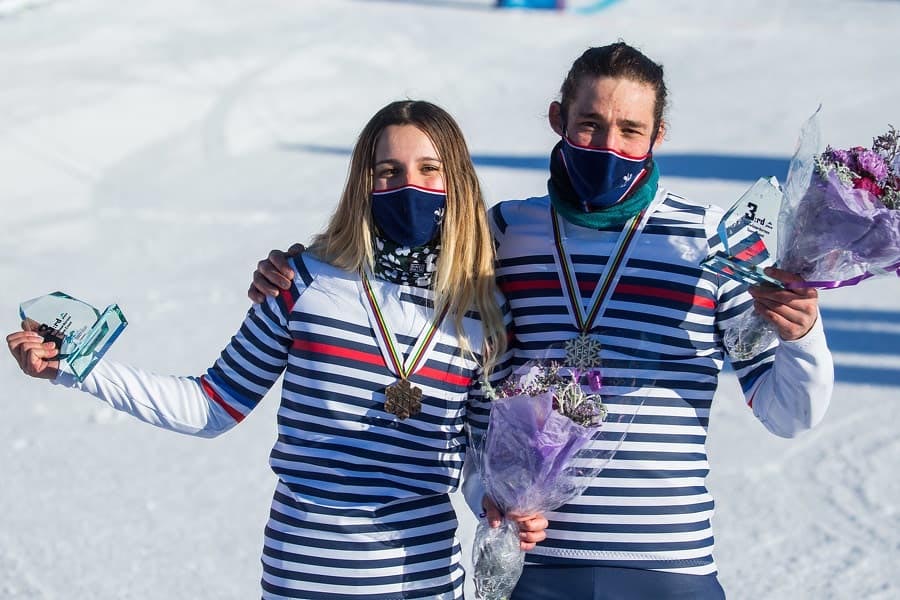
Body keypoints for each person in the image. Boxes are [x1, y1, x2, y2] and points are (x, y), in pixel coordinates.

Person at [248, 43, 835, 599]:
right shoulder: (502, 235)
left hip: (669, 569)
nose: (608, 145)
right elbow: (406, 294)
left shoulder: (714, 241)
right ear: (558, 118)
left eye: (630, 131)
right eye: (590, 125)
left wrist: (804, 335)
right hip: (537, 569)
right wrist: (298, 269)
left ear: (658, 136)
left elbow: (787, 414)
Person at [7, 99, 549, 600]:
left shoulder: (479, 309)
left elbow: (478, 454)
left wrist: (496, 502)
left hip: (422, 579)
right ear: (365, 183)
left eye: (429, 169)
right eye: (389, 171)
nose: (409, 185)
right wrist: (78, 369)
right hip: (301, 574)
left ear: (456, 181)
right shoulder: (303, 283)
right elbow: (211, 406)